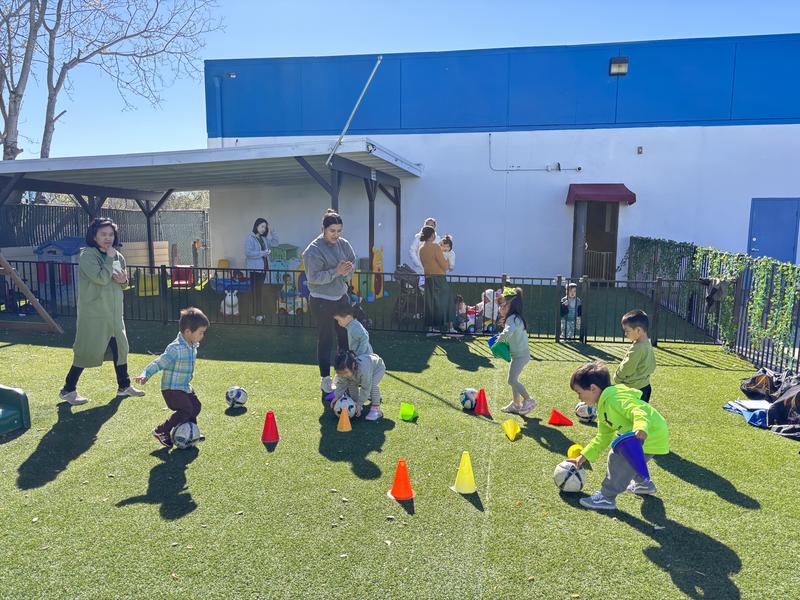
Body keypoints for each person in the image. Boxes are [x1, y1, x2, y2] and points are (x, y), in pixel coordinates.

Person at [59, 218, 144, 405]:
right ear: (94, 236)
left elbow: (121, 283)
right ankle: (68, 389)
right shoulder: (87, 256)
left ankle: (124, 386)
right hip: (94, 315)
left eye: (111, 234)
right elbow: (101, 279)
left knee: (120, 349)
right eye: (103, 234)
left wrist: (123, 281)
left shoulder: (118, 256)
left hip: (114, 314)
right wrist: (110, 257)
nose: (108, 238)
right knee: (86, 350)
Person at [568, 361, 670, 511]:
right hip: (651, 434)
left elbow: (638, 410)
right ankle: (643, 484)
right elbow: (603, 437)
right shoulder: (602, 407)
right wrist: (583, 456)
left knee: (617, 455)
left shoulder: (614, 400)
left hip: (650, 434)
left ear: (593, 388)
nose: (579, 398)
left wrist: (641, 428)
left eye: (579, 393)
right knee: (628, 456)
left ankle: (606, 497)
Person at [135, 307, 210, 448]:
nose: (202, 336)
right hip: (172, 389)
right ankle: (161, 430)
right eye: (201, 333)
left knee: (196, 407)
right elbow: (159, 362)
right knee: (186, 409)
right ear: (188, 332)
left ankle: (191, 432)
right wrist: (145, 374)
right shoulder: (175, 348)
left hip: (184, 387)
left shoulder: (192, 344)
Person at [302, 209, 356, 398]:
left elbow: (352, 262)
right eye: (332, 230)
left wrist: (347, 272)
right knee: (326, 339)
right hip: (321, 301)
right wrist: (336, 271)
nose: (336, 235)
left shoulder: (343, 244)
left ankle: (344, 375)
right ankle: (325, 378)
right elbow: (313, 278)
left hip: (341, 298)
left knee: (345, 338)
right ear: (323, 229)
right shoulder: (313, 250)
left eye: (339, 230)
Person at [496, 287, 536, 415]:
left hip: (520, 356)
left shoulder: (512, 319)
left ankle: (529, 400)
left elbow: (508, 331)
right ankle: (516, 404)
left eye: (504, 303)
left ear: (510, 305)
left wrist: (500, 339)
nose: (502, 306)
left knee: (511, 380)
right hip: (518, 355)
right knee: (513, 379)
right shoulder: (516, 317)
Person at [614, 309, 657, 403]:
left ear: (638, 330)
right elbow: (653, 365)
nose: (625, 334)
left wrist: (617, 377)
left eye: (627, 331)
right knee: (640, 414)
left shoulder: (637, 349)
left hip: (634, 389)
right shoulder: (647, 344)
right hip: (646, 386)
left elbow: (627, 368)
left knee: (630, 415)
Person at [418, 225, 452, 336]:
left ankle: (432, 329)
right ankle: (450, 329)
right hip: (439, 279)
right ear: (432, 235)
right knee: (447, 303)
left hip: (428, 279)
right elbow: (445, 266)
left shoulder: (421, 249)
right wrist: (448, 261)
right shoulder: (435, 247)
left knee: (431, 304)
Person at [332, 349, 385, 421]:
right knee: (351, 383)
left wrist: (360, 404)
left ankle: (376, 409)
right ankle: (355, 402)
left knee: (371, 386)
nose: (343, 375)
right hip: (363, 370)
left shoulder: (363, 370)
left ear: (353, 365)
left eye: (345, 372)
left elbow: (365, 388)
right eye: (340, 373)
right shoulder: (344, 372)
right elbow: (341, 384)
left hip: (377, 368)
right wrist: (337, 397)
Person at [244, 218, 279, 321]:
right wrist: (263, 253)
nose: (263, 229)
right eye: (262, 226)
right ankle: (255, 314)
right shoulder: (250, 238)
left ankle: (258, 313)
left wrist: (272, 231)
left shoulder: (263, 239)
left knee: (259, 291)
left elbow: (275, 243)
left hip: (262, 269)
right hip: (254, 270)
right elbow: (248, 253)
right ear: (256, 226)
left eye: (265, 227)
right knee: (256, 292)